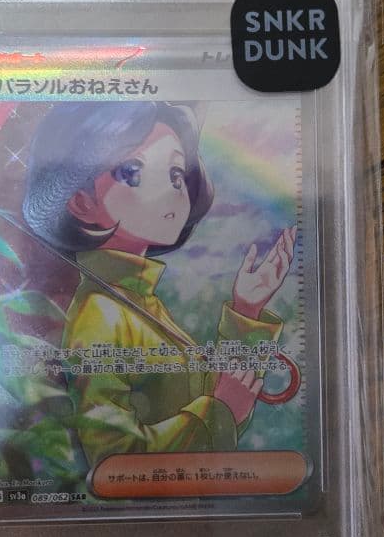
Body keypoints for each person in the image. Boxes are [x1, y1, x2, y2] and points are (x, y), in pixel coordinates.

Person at [22, 101, 296, 466]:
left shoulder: (137, 302)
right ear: (82, 203)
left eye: (175, 175)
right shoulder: (102, 313)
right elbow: (113, 461)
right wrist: (220, 409)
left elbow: (219, 418)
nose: (169, 191)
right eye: (133, 172)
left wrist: (247, 308)